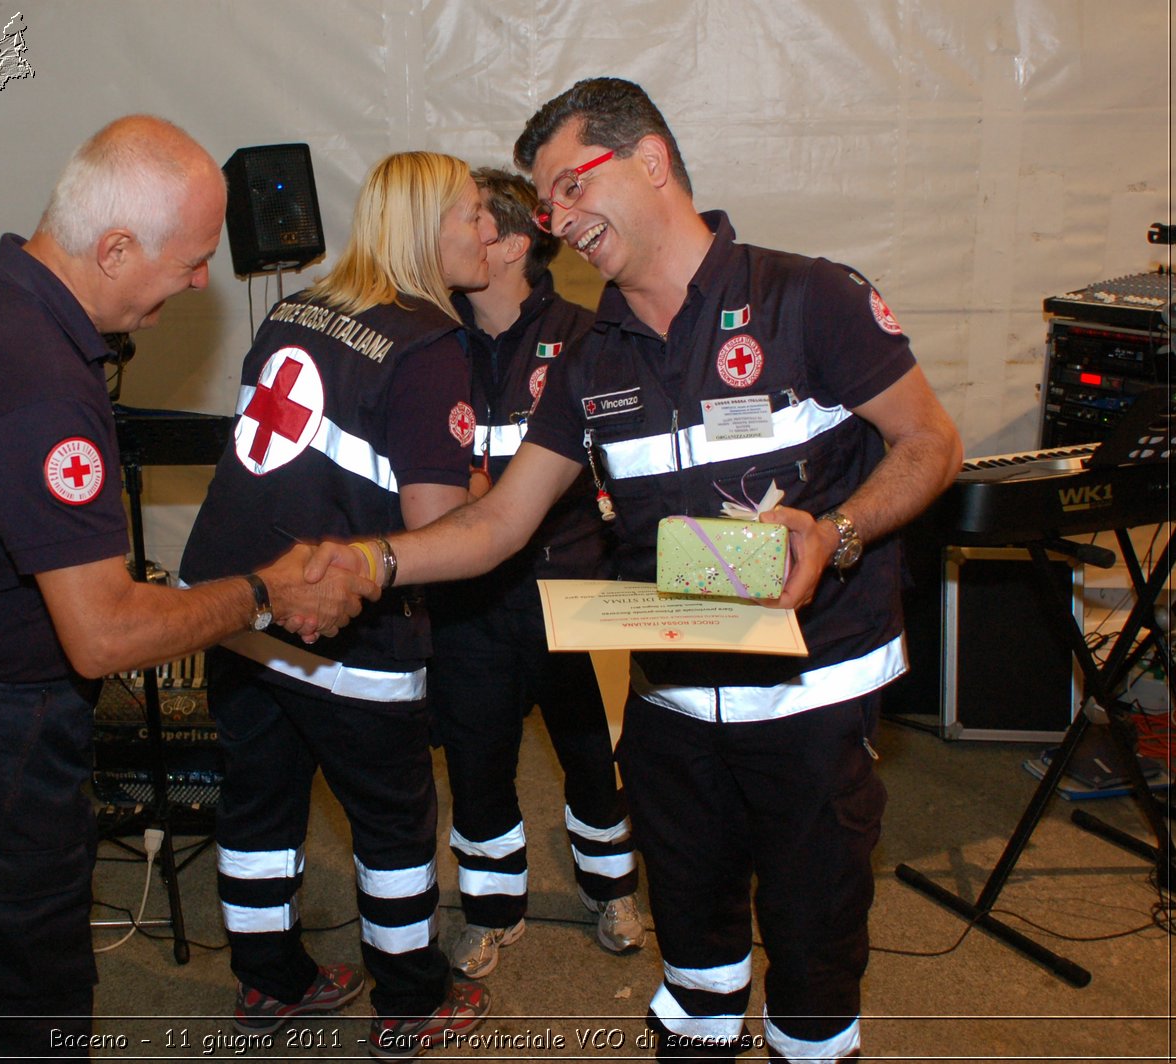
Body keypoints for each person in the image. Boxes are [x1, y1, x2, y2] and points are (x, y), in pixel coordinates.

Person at [313, 79, 963, 1063]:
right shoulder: (588, 355)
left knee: (813, 955)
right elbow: (498, 523)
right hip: (668, 700)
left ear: (651, 159)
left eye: (572, 188)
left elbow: (929, 441)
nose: (560, 222)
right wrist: (373, 559)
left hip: (811, 697)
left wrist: (837, 527)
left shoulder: (807, 296)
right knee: (695, 958)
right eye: (547, 207)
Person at [0, 115, 376, 1061]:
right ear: (112, 247)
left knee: (5, 973)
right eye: (189, 262)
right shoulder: (38, 383)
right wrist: (264, 592)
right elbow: (101, 636)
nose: (198, 283)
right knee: (28, 1002)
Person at [178, 151, 497, 1060]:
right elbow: (436, 530)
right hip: (347, 622)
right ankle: (410, 999)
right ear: (430, 229)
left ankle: (269, 983)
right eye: (474, 215)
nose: (490, 232)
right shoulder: (431, 346)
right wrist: (499, 490)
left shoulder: (298, 306)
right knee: (394, 821)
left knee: (257, 810)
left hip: (236, 605)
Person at [429, 168, 644, 979]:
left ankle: (611, 887)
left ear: (515, 243)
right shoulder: (429, 337)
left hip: (568, 590)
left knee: (591, 754)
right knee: (477, 760)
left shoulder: (589, 338)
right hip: (467, 598)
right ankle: (490, 909)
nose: (451, 235)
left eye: (472, 220)